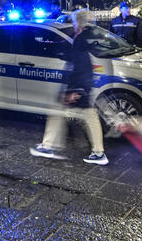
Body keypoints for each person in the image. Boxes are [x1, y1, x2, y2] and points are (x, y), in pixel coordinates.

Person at [30, 9, 108, 165]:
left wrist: (75, 91)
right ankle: (97, 152)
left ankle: (49, 146)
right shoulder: (83, 36)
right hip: (83, 85)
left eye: (73, 21)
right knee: (88, 117)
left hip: (80, 85)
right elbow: (70, 55)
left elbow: (81, 66)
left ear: (78, 22)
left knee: (60, 112)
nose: (72, 23)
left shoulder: (81, 39)